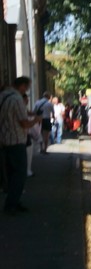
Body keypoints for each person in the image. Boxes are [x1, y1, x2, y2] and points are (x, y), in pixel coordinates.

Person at [0, 77, 39, 215]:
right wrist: (35, 120)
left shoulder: (3, 96)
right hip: (16, 140)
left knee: (11, 174)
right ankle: (11, 204)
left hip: (5, 140)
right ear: (22, 86)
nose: (27, 90)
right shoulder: (17, 99)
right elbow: (23, 122)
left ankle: (13, 201)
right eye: (27, 87)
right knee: (19, 174)